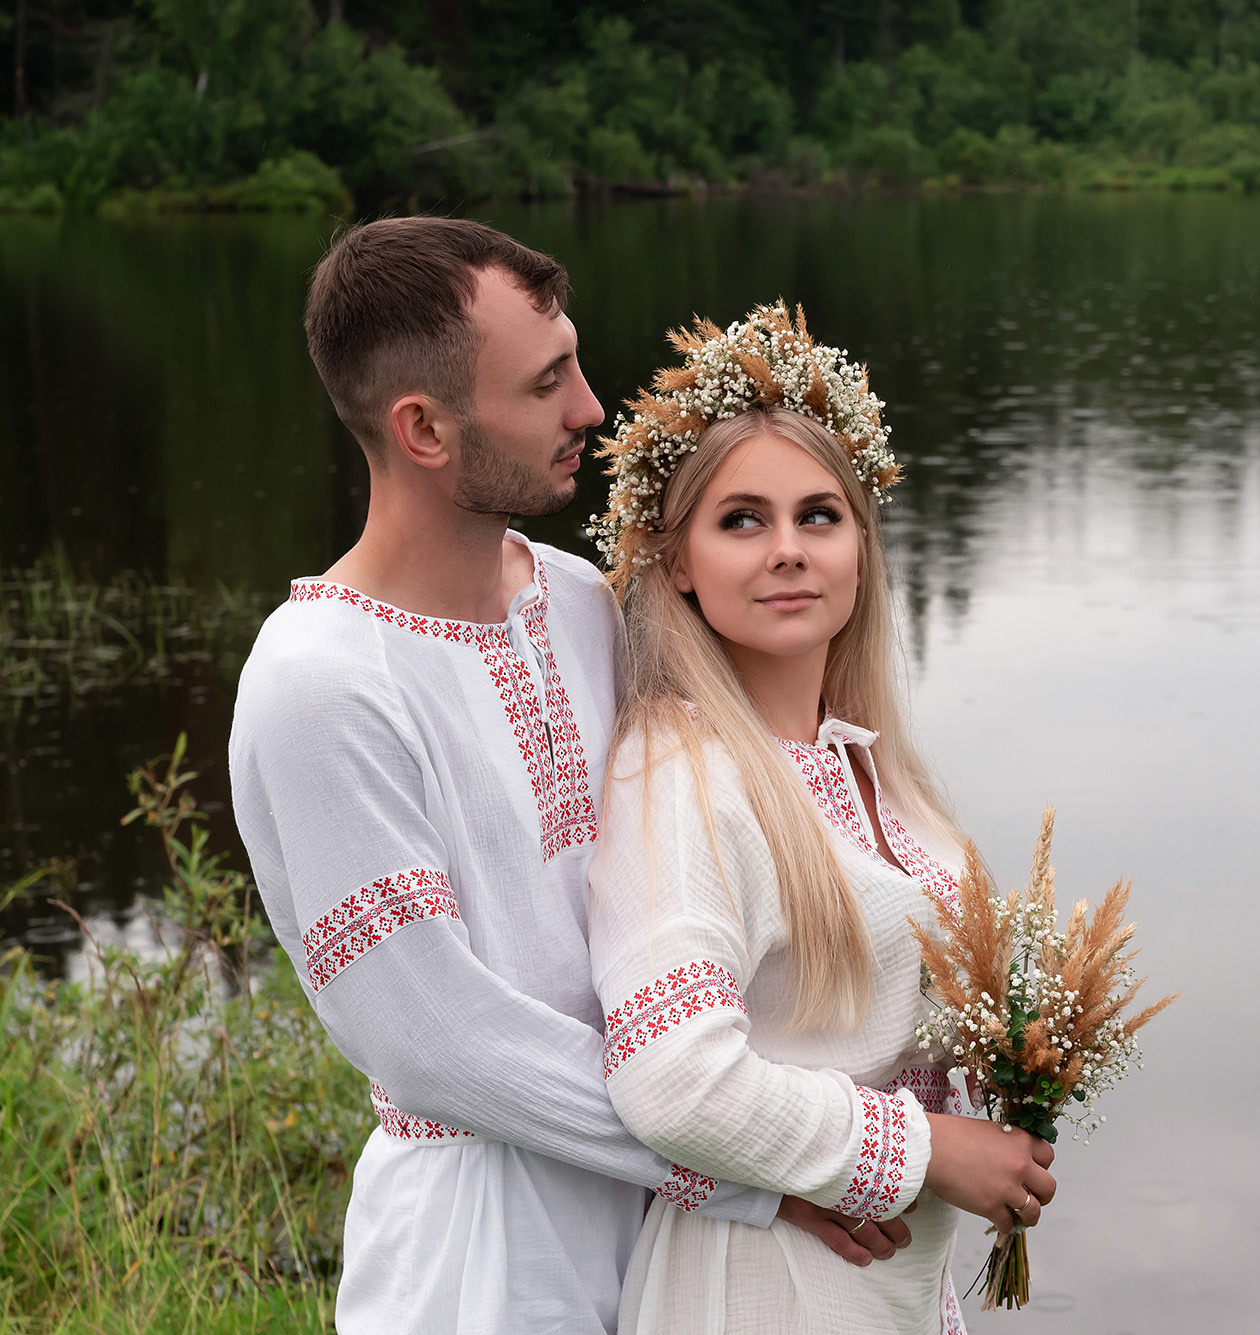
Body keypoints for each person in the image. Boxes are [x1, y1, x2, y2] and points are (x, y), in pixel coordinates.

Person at [228, 220, 906, 1335]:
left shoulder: (579, 597)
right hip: (486, 1255)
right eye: (548, 383)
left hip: (669, 1225)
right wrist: (769, 1163)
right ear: (423, 428)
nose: (590, 408)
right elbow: (439, 1043)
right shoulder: (322, 684)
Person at [585, 304, 1058, 1335]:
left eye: (819, 516)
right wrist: (924, 1150)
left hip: (892, 1280)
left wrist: (1020, 1064)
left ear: (860, 545)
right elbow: (671, 1079)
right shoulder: (679, 769)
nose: (788, 550)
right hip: (764, 1285)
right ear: (676, 564)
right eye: (741, 520)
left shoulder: (879, 772)